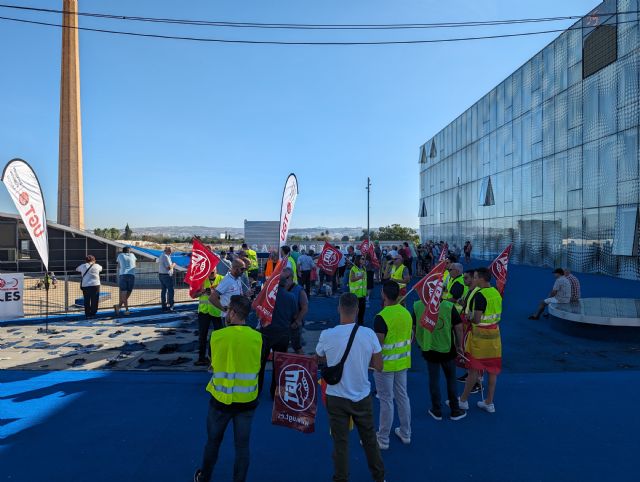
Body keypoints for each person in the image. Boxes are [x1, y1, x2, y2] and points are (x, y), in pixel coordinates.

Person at [315, 293, 385, 482]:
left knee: (340, 443)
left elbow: (319, 357)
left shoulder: (327, 335)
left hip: (336, 397)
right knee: (370, 439)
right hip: (361, 396)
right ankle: (379, 478)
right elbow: (379, 366)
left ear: (339, 308)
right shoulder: (369, 334)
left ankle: (341, 479)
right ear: (358, 310)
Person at [194, 296, 261, 482]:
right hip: (247, 401)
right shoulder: (258, 338)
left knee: (213, 443)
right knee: (242, 447)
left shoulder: (217, 336)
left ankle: (204, 477)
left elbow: (213, 364)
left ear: (232, 312)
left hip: (220, 400)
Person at [414, 295, 466, 421]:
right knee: (451, 379)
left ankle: (436, 410)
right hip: (447, 348)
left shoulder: (417, 305)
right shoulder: (448, 306)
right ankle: (455, 410)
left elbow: (415, 326)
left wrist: (419, 341)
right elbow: (458, 327)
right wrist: (460, 346)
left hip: (429, 348)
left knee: (434, 380)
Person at [373, 281, 412, 449]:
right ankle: (405, 433)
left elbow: (377, 346)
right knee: (402, 397)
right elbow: (411, 337)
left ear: (383, 294)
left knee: (386, 400)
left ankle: (382, 439)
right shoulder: (406, 313)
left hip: (385, 366)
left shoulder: (381, 317)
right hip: (402, 363)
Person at [459, 268, 503, 413]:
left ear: (482, 279)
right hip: (495, 338)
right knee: (492, 371)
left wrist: (469, 316)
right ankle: (489, 403)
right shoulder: (496, 293)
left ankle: (463, 400)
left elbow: (476, 319)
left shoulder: (480, 295)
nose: (474, 279)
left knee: (473, 370)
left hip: (479, 338)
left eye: (476, 277)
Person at [258, 268, 298, 398]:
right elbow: (294, 315)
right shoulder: (291, 297)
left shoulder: (266, 295)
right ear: (284, 283)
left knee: (260, 363)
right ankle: (274, 391)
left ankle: (257, 389)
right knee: (278, 364)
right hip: (282, 334)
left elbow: (259, 311)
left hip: (266, 333)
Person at [194, 267, 225, 366]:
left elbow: (226, 294)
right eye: (209, 271)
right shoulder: (202, 279)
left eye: (213, 271)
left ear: (216, 270)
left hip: (217, 311)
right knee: (202, 336)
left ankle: (217, 357)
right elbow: (194, 295)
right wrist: (202, 292)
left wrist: (215, 294)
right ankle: (201, 358)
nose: (211, 273)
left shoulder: (222, 279)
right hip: (204, 311)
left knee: (219, 336)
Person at [284, 268, 309, 354]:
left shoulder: (299, 290)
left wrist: (297, 321)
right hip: (282, 324)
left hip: (294, 324)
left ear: (291, 277)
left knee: (297, 347)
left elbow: (305, 307)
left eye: (285, 277)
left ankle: (303, 364)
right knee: (282, 348)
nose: (283, 280)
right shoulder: (279, 289)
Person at [115, 246, 137, 316]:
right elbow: (135, 264)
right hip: (131, 275)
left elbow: (119, 266)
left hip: (123, 275)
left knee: (124, 292)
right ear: (129, 251)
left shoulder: (120, 255)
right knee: (128, 292)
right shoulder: (133, 255)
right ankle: (124, 309)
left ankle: (120, 306)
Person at [349, 255, 368, 325]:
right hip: (355, 294)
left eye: (364, 259)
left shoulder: (364, 268)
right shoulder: (353, 269)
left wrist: (366, 291)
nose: (364, 260)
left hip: (362, 294)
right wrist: (360, 277)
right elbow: (352, 279)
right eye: (362, 259)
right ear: (358, 260)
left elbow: (365, 281)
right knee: (353, 312)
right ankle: (352, 325)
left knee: (362, 312)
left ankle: (360, 325)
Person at [158, 246, 176, 312]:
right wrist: (174, 264)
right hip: (166, 276)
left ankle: (164, 306)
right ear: (167, 251)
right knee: (171, 291)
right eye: (170, 251)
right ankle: (171, 306)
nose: (171, 252)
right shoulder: (165, 256)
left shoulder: (162, 255)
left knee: (164, 291)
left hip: (161, 275)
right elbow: (168, 267)